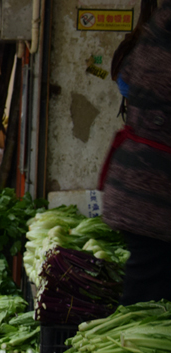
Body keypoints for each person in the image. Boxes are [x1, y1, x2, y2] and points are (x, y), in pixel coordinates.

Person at [100, 0, 171, 305]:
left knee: (146, 291)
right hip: (154, 196)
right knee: (147, 298)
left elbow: (126, 78)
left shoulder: (158, 30)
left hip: (141, 188)